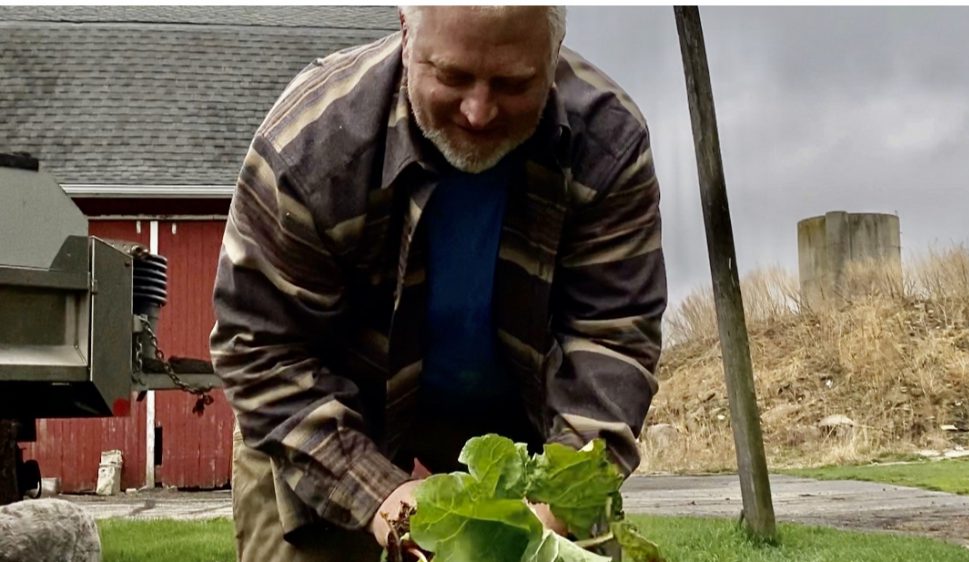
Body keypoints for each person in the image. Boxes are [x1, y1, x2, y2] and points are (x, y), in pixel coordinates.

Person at [210, 6, 666, 561]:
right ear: (406, 35)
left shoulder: (607, 145)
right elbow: (260, 349)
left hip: (523, 415)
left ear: (554, 52)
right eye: (451, 77)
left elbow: (612, 339)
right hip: (333, 406)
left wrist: (550, 505)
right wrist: (384, 500)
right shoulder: (308, 148)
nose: (478, 112)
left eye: (513, 82)